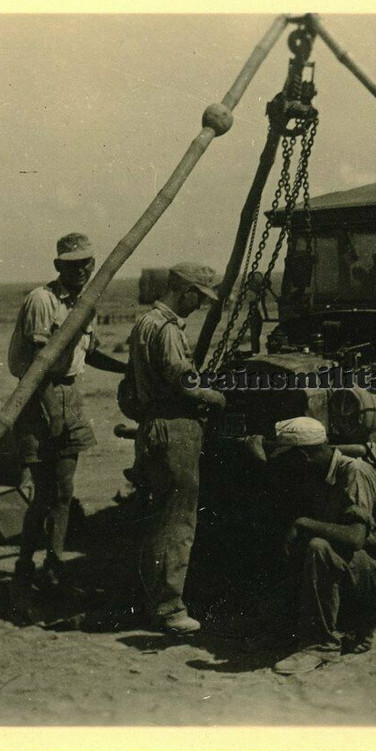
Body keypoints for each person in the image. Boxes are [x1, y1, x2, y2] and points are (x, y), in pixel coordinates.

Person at [8, 232, 124, 595]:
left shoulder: (83, 303)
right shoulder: (42, 300)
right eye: (72, 265)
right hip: (38, 394)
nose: (81, 271)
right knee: (43, 494)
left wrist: (128, 369)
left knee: (64, 491)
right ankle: (25, 565)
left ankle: (54, 565)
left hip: (69, 395)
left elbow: (88, 354)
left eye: (86, 264)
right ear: (58, 266)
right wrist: (74, 324)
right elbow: (47, 361)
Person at [264, 417, 376, 675]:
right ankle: (364, 617)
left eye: (289, 460)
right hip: (364, 566)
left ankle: (322, 646)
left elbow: (354, 538)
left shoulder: (354, 473)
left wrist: (303, 523)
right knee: (298, 544)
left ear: (303, 457)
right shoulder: (322, 473)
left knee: (320, 548)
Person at [127, 261, 225, 635]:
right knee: (177, 520)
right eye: (198, 298)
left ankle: (155, 598)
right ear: (185, 291)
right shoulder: (167, 330)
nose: (199, 305)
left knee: (160, 517)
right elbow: (185, 383)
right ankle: (169, 610)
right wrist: (217, 398)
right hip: (175, 428)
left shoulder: (146, 323)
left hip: (155, 426)